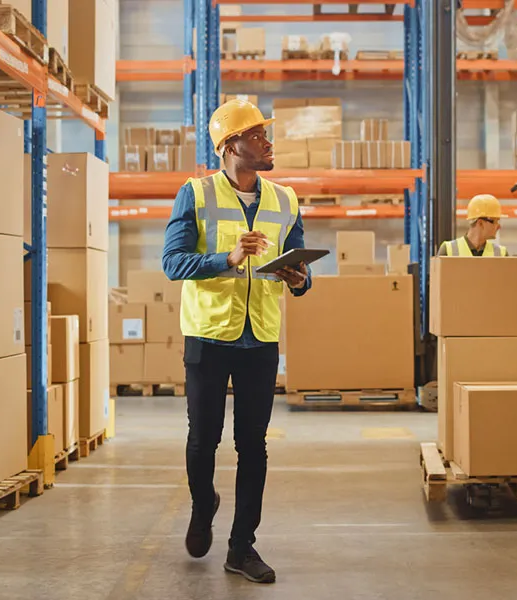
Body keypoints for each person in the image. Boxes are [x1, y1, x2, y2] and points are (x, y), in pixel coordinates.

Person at [161, 99, 311, 585]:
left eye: (266, 134)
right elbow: (174, 263)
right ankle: (203, 506)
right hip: (208, 335)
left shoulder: (286, 199)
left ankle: (242, 546)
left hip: (260, 338)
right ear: (231, 147)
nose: (268, 142)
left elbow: (302, 273)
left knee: (254, 445)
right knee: (203, 439)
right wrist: (225, 259)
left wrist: (298, 279)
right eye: (258, 135)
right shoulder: (196, 194)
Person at [438, 194, 508, 256]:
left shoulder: (501, 253)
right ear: (480, 223)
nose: (499, 226)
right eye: (495, 222)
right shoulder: (448, 250)